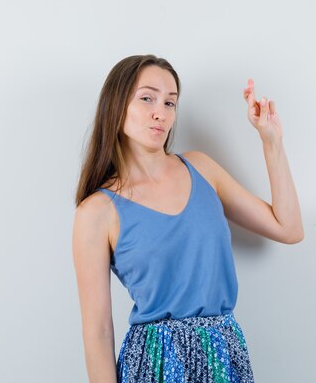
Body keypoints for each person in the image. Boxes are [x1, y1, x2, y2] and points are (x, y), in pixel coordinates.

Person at [71, 54, 304, 383]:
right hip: (154, 364)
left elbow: (289, 228)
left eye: (170, 103)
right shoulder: (96, 212)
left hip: (223, 354)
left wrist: (271, 141)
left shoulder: (202, 169)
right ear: (116, 104)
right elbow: (98, 331)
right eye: (147, 98)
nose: (160, 113)